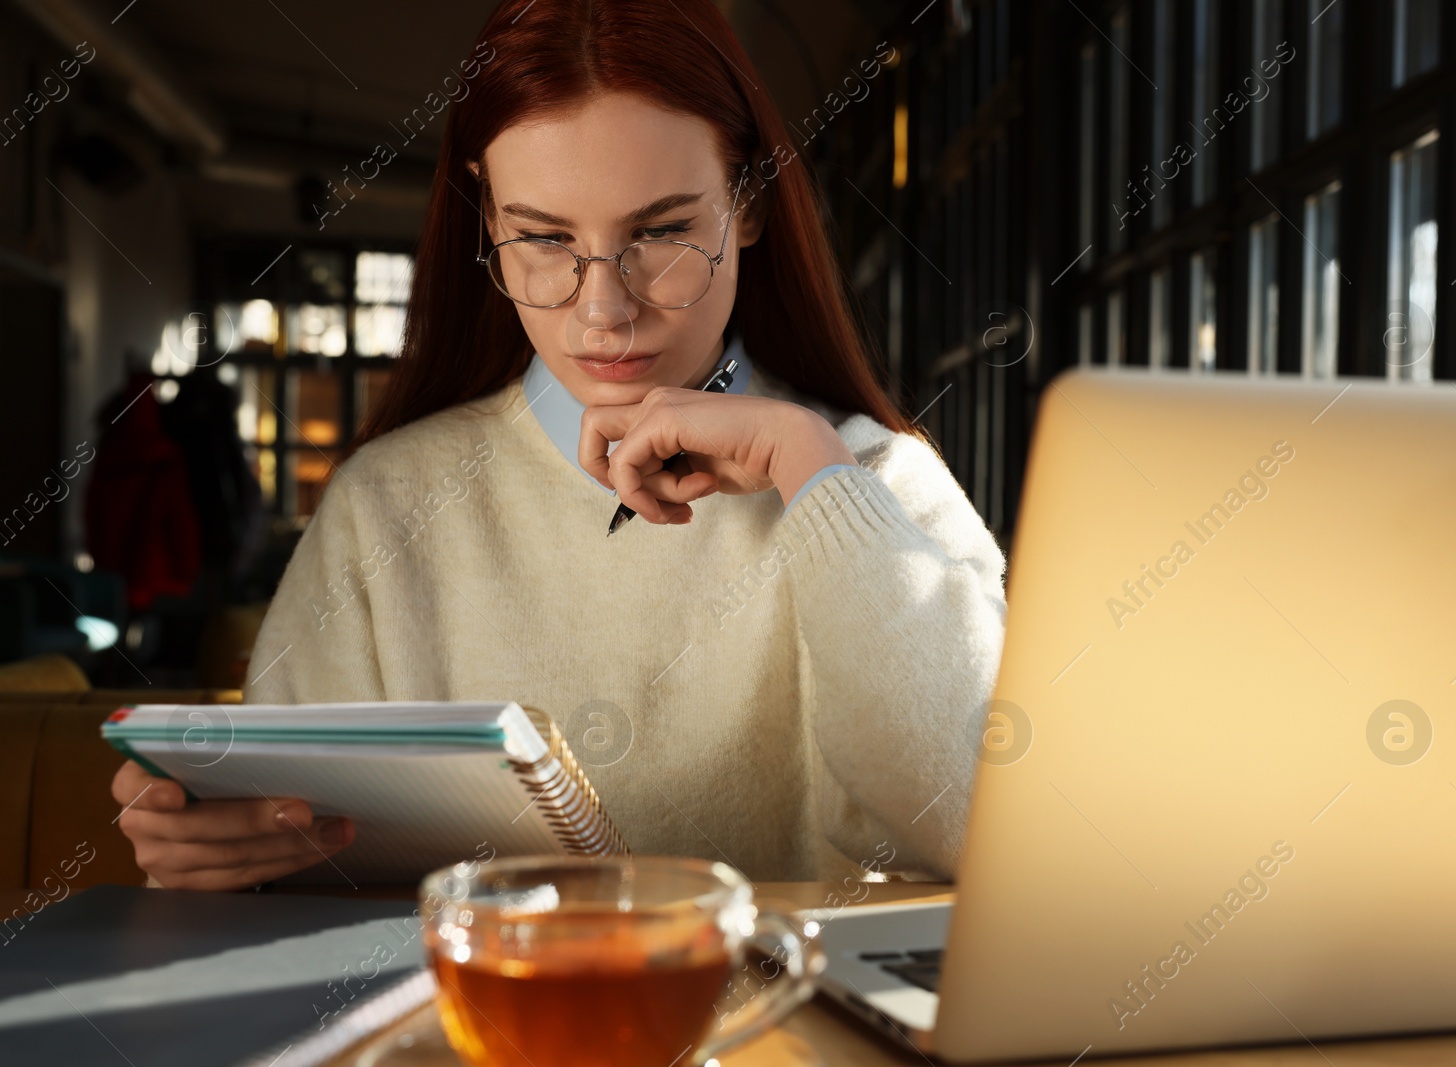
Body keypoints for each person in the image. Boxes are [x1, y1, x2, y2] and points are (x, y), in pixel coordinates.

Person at [112, 0, 1007, 892]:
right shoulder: (385, 501)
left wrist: (812, 468)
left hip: (787, 1033)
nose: (603, 313)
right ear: (488, 223)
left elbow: (992, 832)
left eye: (660, 232)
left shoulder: (872, 482)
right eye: (543, 239)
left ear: (753, 203)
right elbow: (291, 853)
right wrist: (226, 853)